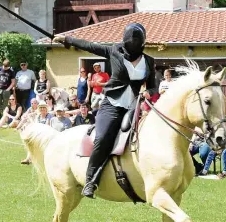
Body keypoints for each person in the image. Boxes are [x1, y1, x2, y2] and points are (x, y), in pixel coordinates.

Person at [53, 22, 157, 198]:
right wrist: (67, 40)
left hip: (133, 107)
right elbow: (90, 46)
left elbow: (154, 87)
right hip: (112, 105)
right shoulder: (114, 51)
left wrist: (149, 91)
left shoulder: (148, 61)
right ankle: (90, 181)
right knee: (102, 138)